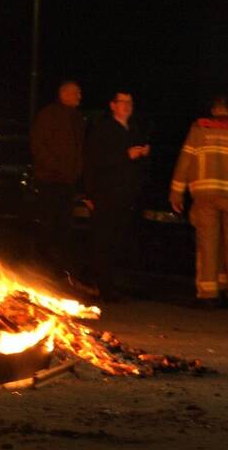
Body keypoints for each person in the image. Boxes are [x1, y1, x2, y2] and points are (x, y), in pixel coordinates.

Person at [170, 95, 228, 308]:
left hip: (205, 194)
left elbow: (185, 161)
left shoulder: (199, 129)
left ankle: (209, 295)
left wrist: (176, 193)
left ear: (213, 110)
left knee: (208, 244)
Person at [83, 89, 150, 301]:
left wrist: (143, 154)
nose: (127, 106)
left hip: (127, 195)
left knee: (118, 241)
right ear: (113, 105)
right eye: (123, 102)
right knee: (104, 240)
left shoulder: (133, 130)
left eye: (130, 102)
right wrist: (125, 155)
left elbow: (137, 165)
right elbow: (95, 161)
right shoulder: (103, 129)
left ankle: (112, 284)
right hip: (106, 193)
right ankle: (101, 286)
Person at [30, 80, 85, 273]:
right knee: (48, 223)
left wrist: (76, 170)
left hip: (68, 181)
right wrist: (57, 168)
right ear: (64, 94)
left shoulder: (78, 117)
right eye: (76, 93)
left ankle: (60, 266)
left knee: (64, 225)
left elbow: (80, 147)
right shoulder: (48, 115)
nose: (80, 96)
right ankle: (41, 265)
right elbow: (38, 146)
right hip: (49, 180)